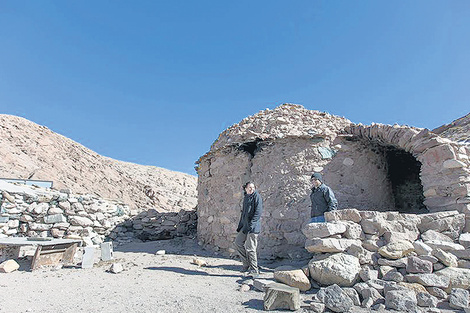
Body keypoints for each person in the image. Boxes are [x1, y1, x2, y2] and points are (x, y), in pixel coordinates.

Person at [234, 181, 263, 277]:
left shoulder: (256, 196)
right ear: (245, 189)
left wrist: (251, 225)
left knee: (251, 248)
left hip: (253, 227)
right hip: (245, 226)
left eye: (253, 187)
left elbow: (258, 212)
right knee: (238, 243)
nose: (251, 189)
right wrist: (240, 226)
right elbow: (244, 214)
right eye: (249, 187)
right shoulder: (246, 198)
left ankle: (254, 270)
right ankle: (246, 264)